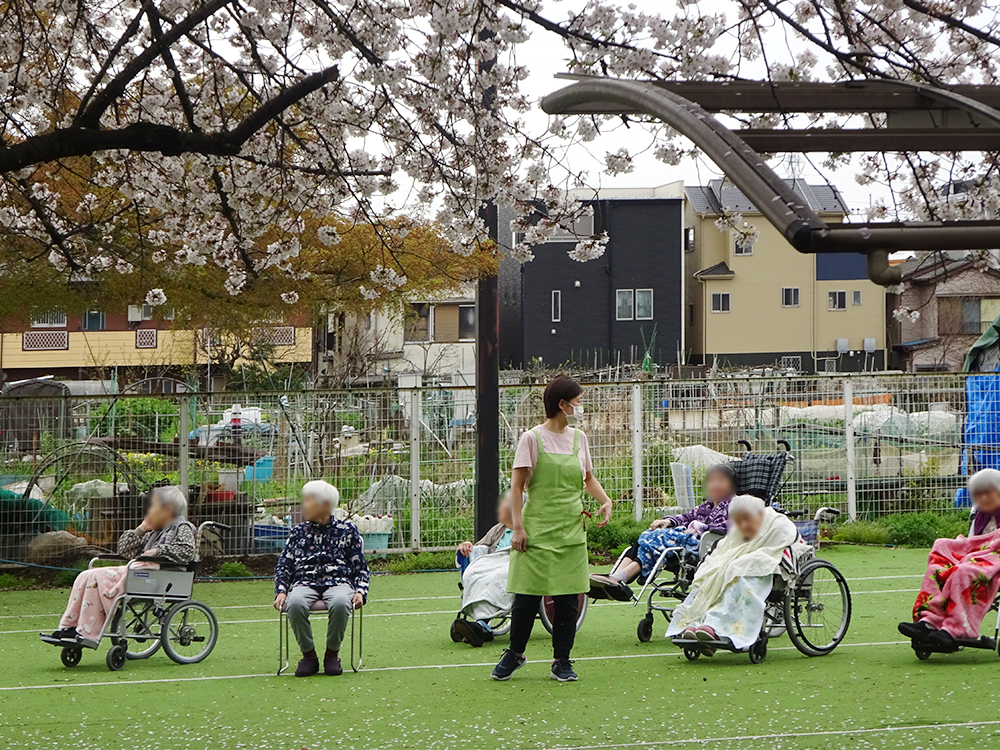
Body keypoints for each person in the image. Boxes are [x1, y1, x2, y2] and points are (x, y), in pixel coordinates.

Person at [492, 375, 613, 683]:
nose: (581, 406)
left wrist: (605, 500)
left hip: (572, 527)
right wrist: (517, 528)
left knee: (567, 598)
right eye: (578, 401)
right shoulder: (531, 438)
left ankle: (563, 660)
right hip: (537, 527)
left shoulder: (579, 438)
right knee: (527, 596)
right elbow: (517, 487)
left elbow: (588, 478)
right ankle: (514, 653)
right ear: (562, 404)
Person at [51, 486, 195, 641]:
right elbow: (125, 551)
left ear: (168, 509)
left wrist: (158, 551)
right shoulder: (153, 533)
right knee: (86, 575)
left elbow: (187, 551)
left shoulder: (182, 528)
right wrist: (141, 529)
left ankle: (87, 632)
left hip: (161, 578)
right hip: (141, 574)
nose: (149, 511)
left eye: (153, 506)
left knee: (96, 578)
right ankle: (70, 626)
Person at [666, 495, 798, 654]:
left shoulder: (776, 523)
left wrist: (741, 561)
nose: (741, 524)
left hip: (760, 569)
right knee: (711, 577)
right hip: (735, 566)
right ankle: (698, 628)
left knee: (736, 582)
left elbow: (775, 547)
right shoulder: (738, 528)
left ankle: (714, 626)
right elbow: (724, 548)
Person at [590, 463, 737, 599]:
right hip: (685, 540)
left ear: (732, 485)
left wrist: (696, 529)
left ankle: (621, 577)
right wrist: (669, 521)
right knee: (648, 536)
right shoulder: (707, 505)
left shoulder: (733, 505)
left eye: (721, 480)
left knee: (655, 538)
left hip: (704, 547)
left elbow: (722, 529)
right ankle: (615, 578)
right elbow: (686, 516)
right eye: (711, 480)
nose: (715, 485)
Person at [273, 480, 370, 677]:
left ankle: (332, 655)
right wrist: (281, 591)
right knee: (296, 602)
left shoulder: (347, 530)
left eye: (309, 500)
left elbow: (361, 567)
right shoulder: (297, 532)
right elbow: (285, 565)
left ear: (324, 505)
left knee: (342, 602)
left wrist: (360, 591)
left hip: (339, 582)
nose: (304, 505)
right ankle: (309, 656)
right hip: (305, 582)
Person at [899, 468, 1000, 647]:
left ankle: (958, 627)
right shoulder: (980, 515)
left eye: (988, 493)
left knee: (963, 571)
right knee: (937, 569)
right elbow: (971, 544)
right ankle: (929, 621)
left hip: (994, 562)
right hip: (975, 558)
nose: (983, 498)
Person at [452, 491, 518, 647]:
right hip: (492, 563)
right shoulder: (498, 529)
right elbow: (479, 549)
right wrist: (466, 546)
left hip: (511, 564)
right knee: (473, 573)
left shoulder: (528, 529)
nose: (499, 509)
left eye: (502, 505)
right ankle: (478, 624)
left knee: (495, 577)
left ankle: (481, 624)